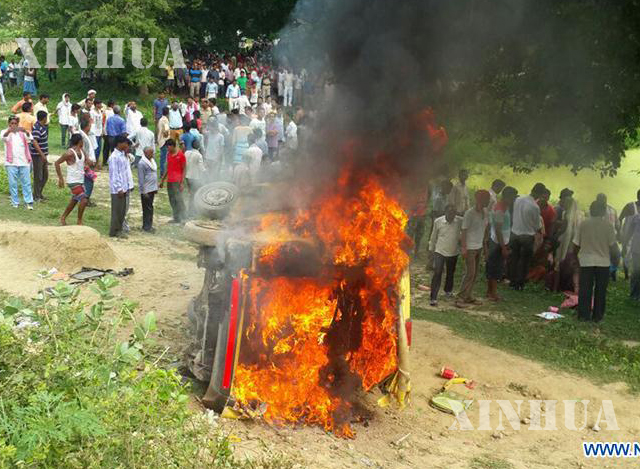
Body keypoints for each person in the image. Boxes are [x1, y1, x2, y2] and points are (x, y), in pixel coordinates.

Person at [574, 201, 617, 322]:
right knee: (600, 290)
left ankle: (583, 315)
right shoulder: (608, 226)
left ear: (591, 210)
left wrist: (574, 257)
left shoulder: (583, 224)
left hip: (586, 261)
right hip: (603, 262)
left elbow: (576, 244)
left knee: (585, 289)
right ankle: (598, 316)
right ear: (603, 212)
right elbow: (613, 246)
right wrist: (615, 260)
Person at [456, 190, 490, 306]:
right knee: (470, 272)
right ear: (480, 200)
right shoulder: (469, 213)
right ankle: (460, 297)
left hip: (479, 246)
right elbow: (464, 231)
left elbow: (485, 229)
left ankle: (468, 296)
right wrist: (464, 248)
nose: (488, 201)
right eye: (486, 199)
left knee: (474, 274)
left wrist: (485, 247)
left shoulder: (485, 213)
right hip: (470, 247)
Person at [510, 183, 545, 290]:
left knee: (514, 258)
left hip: (515, 232)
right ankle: (519, 283)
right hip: (527, 236)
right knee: (524, 261)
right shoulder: (535, 207)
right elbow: (537, 225)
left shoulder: (518, 200)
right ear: (539, 194)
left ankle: (512, 280)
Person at [486, 186, 518, 301]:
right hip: (497, 242)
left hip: (499, 241)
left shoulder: (505, 207)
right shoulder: (500, 209)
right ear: (507, 197)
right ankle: (493, 293)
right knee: (495, 267)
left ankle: (490, 292)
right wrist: (503, 247)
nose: (514, 200)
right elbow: (498, 229)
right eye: (513, 197)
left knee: (494, 266)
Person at [428, 204, 462, 306]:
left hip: (453, 252)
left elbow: (467, 228)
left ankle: (448, 290)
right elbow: (433, 237)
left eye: (454, 213)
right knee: (437, 273)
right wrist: (431, 250)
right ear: (445, 212)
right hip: (440, 251)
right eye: (450, 212)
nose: (452, 215)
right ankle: (433, 297)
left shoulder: (460, 221)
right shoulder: (438, 221)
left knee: (450, 272)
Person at [54, 134, 89, 225]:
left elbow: (87, 162)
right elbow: (57, 163)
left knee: (75, 199)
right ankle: (79, 221)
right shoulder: (69, 153)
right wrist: (61, 179)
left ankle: (63, 217)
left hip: (80, 180)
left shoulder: (82, 151)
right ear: (80, 141)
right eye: (82, 140)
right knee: (84, 199)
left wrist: (88, 165)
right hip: (73, 181)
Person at [553, 188, 582, 292]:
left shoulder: (566, 214)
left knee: (559, 261)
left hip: (565, 240)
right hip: (573, 240)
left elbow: (564, 229)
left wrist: (556, 235)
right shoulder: (579, 215)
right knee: (570, 262)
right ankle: (569, 286)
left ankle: (555, 287)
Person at [2, 116, 34, 209]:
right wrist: (10, 130)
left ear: (18, 124)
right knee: (13, 183)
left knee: (26, 182)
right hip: (11, 162)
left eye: (15, 123)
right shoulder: (5, 132)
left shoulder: (22, 133)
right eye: (12, 123)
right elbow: (3, 138)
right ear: (9, 124)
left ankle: (28, 202)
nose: (14, 125)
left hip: (24, 162)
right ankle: (15, 202)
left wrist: (25, 131)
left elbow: (30, 138)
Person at [108, 136, 131, 238]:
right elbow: (114, 174)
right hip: (118, 189)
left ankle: (119, 229)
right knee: (117, 210)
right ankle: (114, 231)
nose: (127, 145)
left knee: (122, 211)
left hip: (124, 187)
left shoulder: (122, 155)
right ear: (119, 143)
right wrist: (119, 188)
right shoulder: (114, 157)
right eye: (125, 143)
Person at [160, 139, 187, 224]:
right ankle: (176, 218)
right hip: (170, 181)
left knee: (179, 200)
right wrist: (162, 180)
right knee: (172, 200)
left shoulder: (181, 155)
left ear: (173, 146)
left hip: (177, 181)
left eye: (168, 146)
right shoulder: (169, 155)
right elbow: (168, 168)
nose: (167, 148)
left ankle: (184, 218)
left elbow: (184, 169)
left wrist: (182, 182)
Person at [138, 147, 158, 233]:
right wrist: (143, 191)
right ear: (145, 153)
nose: (153, 154)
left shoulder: (152, 161)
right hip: (146, 189)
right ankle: (146, 226)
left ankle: (149, 225)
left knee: (150, 207)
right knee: (147, 208)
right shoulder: (142, 163)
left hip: (152, 188)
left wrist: (155, 187)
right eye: (151, 153)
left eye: (153, 152)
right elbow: (141, 178)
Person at [30, 111, 49, 202]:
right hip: (38, 156)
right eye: (46, 117)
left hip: (43, 156)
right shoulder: (37, 128)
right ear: (44, 118)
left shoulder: (42, 127)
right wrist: (42, 154)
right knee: (38, 176)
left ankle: (39, 193)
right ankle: (36, 196)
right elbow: (34, 142)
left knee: (45, 175)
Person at [185, 139, 205, 216]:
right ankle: (192, 211)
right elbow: (201, 168)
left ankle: (190, 209)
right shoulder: (199, 155)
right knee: (195, 194)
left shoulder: (186, 152)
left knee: (191, 193)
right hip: (195, 177)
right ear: (199, 147)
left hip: (187, 176)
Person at [157, 106, 170, 177]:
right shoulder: (165, 120)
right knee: (164, 158)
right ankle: (162, 173)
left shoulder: (160, 119)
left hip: (161, 140)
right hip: (164, 141)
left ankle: (162, 173)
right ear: (168, 113)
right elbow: (166, 131)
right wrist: (166, 138)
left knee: (163, 157)